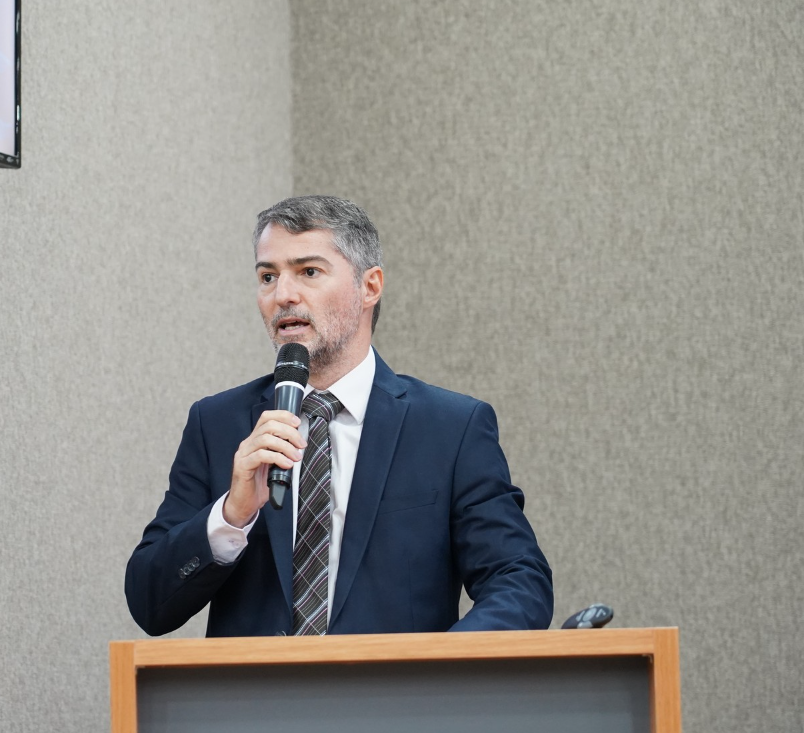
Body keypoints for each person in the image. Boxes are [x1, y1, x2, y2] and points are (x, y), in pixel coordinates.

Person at [125, 195, 552, 637]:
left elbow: (519, 583)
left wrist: (434, 671)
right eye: (267, 276)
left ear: (369, 287)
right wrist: (231, 516)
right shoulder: (217, 425)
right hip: (253, 701)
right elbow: (148, 602)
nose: (283, 295)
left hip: (397, 699)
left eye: (308, 272)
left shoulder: (450, 428)